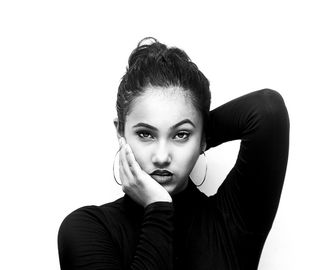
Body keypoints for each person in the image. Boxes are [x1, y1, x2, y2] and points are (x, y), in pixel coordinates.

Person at [57, 37, 290, 270]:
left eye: (181, 135)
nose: (161, 156)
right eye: (146, 134)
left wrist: (200, 137)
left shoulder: (230, 223)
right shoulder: (86, 229)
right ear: (121, 132)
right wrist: (158, 206)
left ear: (202, 138)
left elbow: (267, 110)